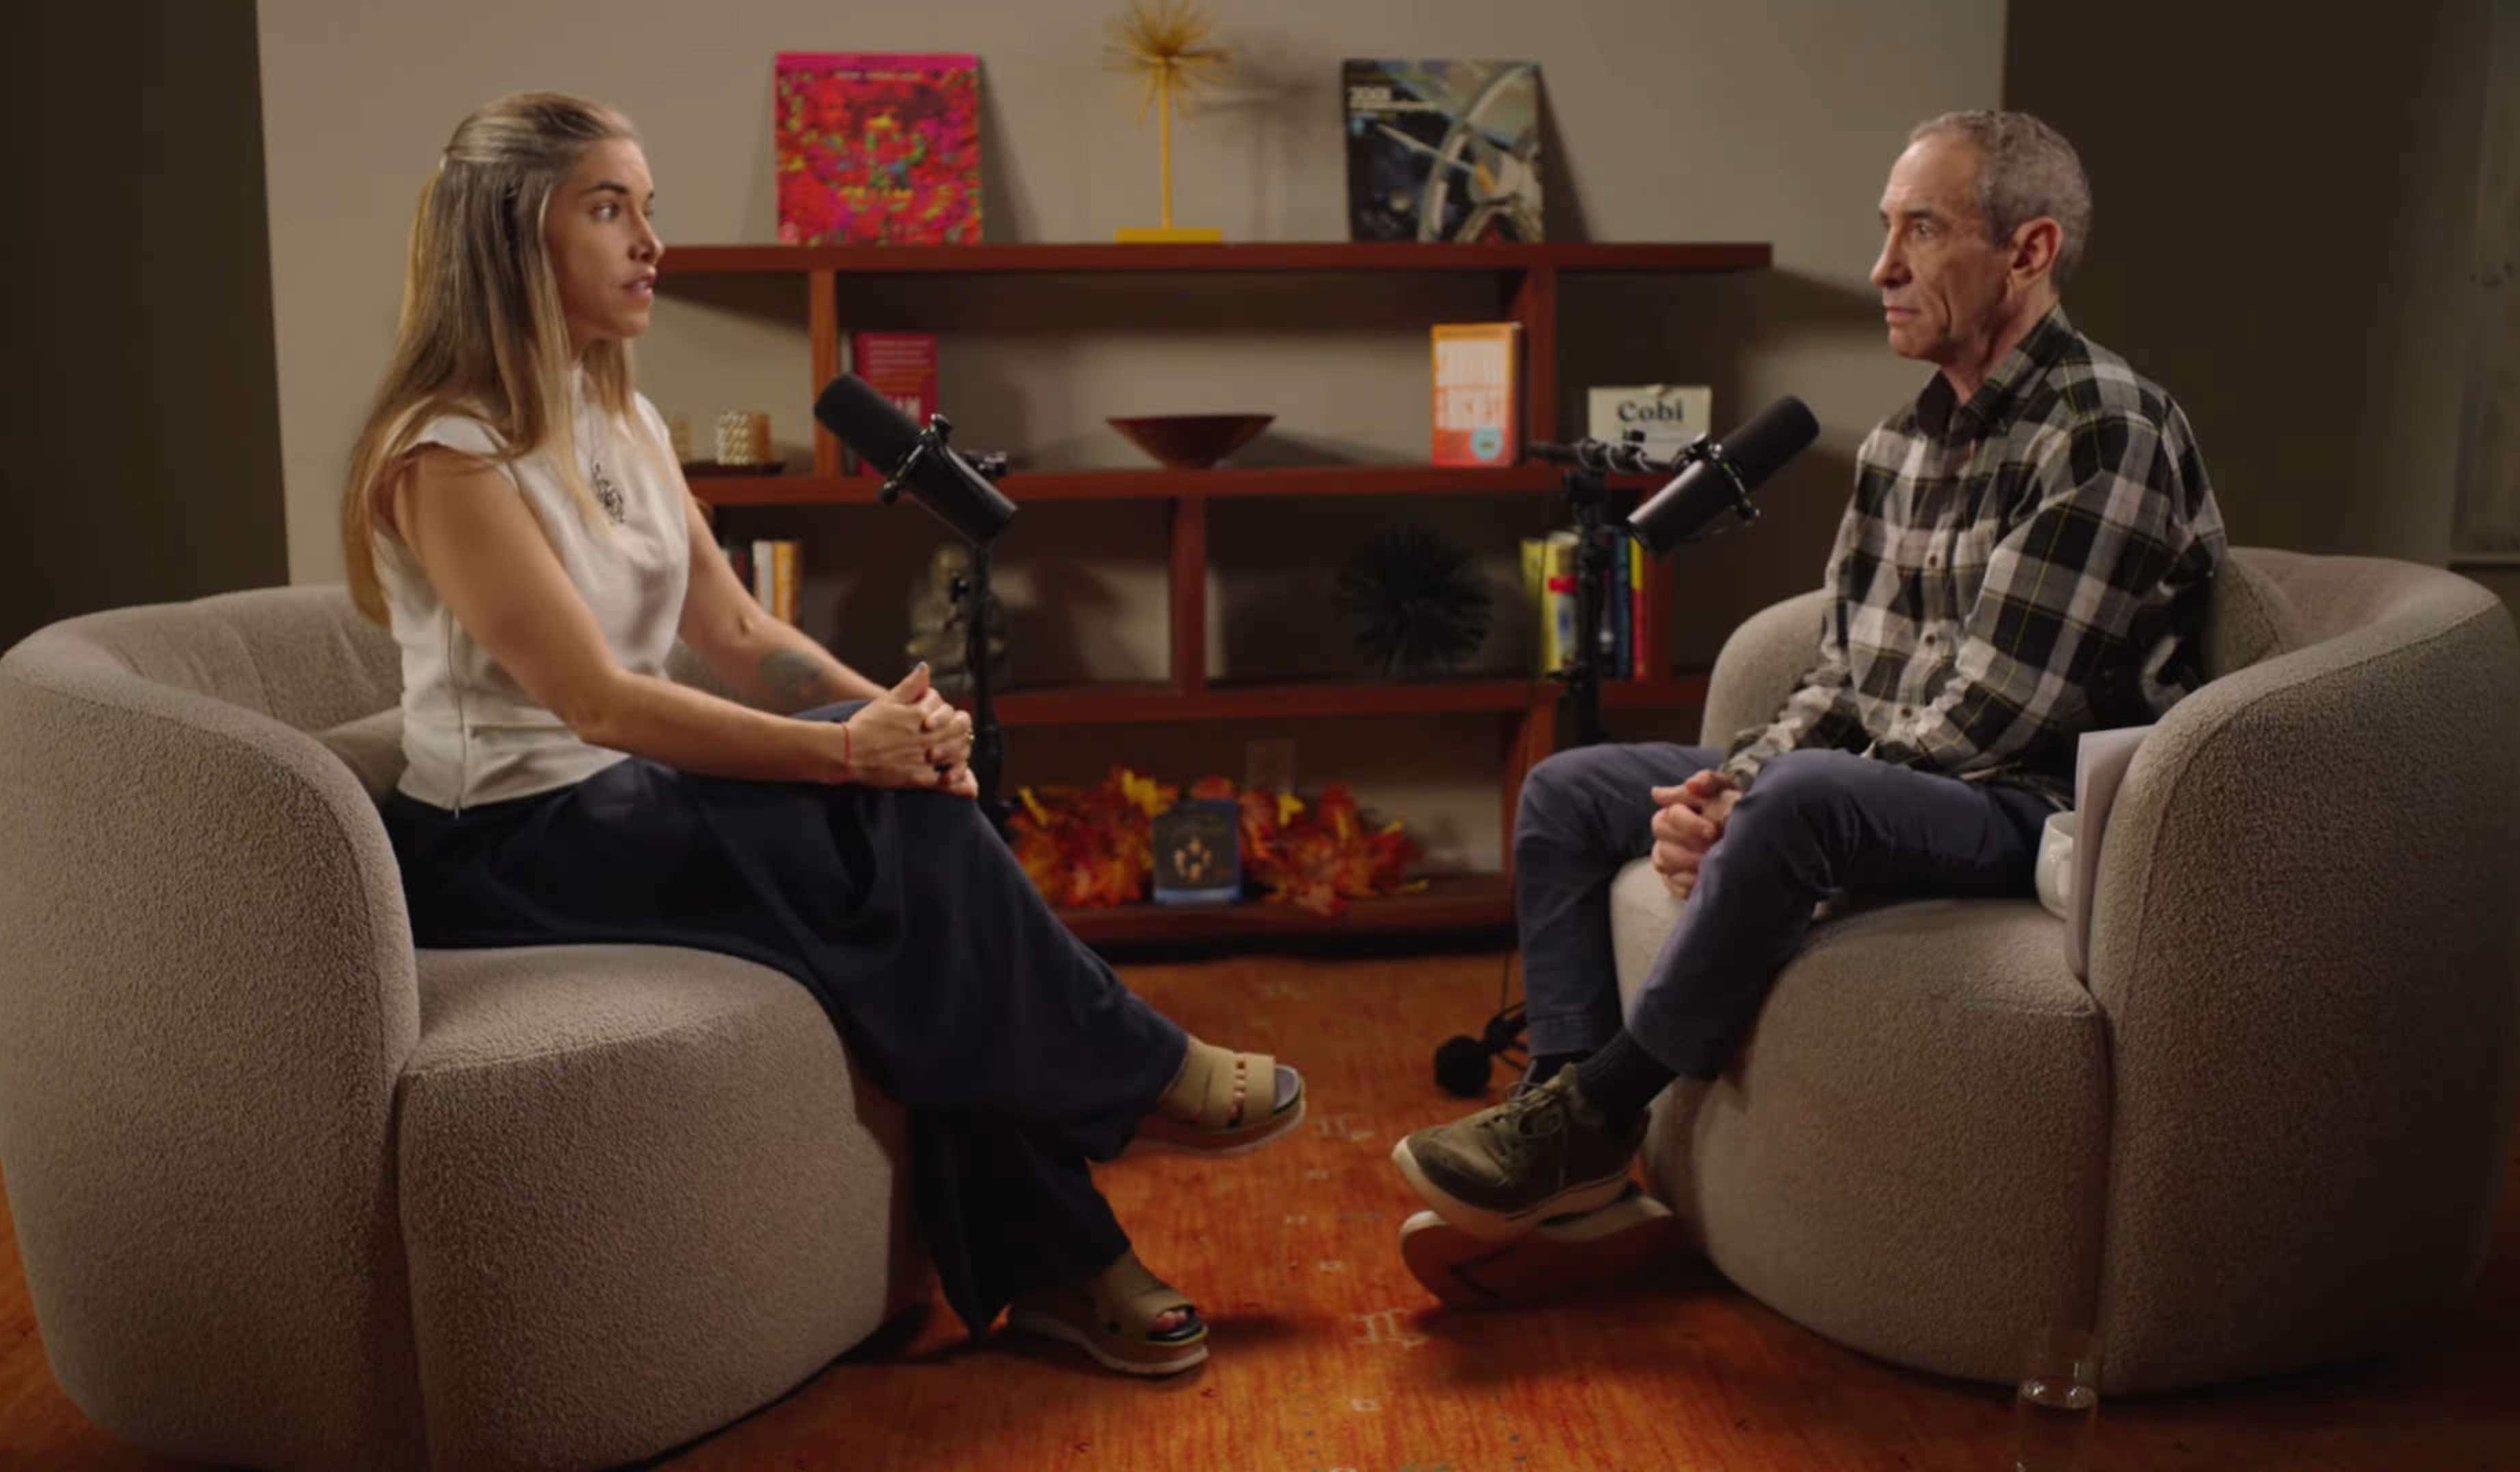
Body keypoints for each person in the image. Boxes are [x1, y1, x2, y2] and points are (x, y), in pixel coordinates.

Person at [342, 92, 1305, 1377]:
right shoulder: (446, 451)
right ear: (513, 237)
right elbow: (600, 705)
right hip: (508, 844)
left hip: (623, 805)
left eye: (649, 207)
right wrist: (856, 755)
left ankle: (1070, 1267)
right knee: (897, 854)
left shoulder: (619, 415)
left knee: (912, 896)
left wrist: (906, 721)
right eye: (609, 208)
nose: (650, 244)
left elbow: (742, 636)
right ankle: (1132, 1086)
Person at [1391, 110, 2227, 1297]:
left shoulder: (2103, 428)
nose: (1882, 267)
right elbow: (1839, 678)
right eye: (1886, 229)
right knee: (1573, 792)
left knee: (1805, 796)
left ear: (2029, 253)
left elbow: (1997, 715)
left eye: (1922, 231)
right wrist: (1726, 785)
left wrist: (1761, 802)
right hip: (1885, 779)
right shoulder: (1898, 446)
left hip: (2027, 804)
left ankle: (1601, 1109)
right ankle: (1568, 1133)